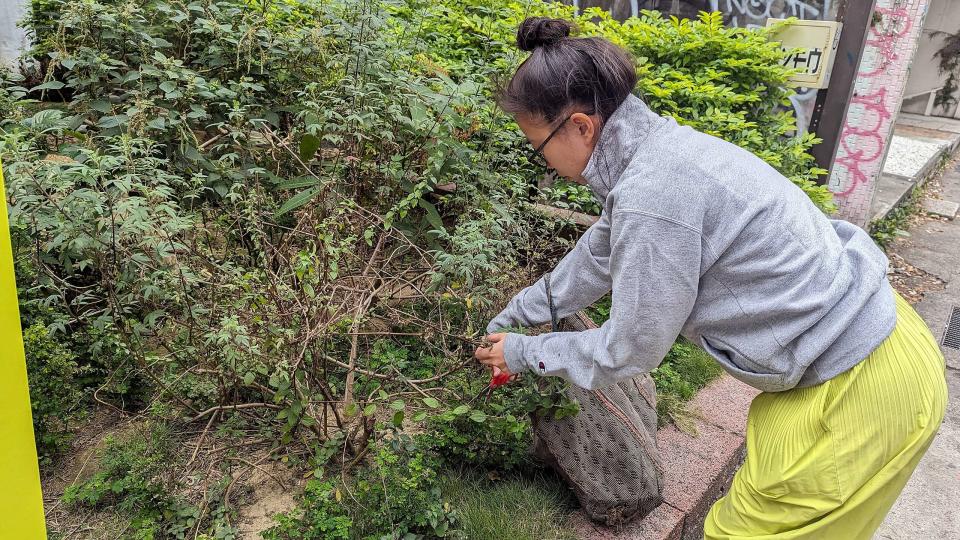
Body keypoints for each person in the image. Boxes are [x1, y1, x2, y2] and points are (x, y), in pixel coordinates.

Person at [474, 16, 947, 539]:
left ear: (582, 127)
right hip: (871, 346)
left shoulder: (653, 197)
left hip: (859, 391)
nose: (544, 164)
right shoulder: (661, 154)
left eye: (538, 148)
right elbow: (599, 255)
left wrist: (520, 353)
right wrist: (520, 313)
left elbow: (628, 350)